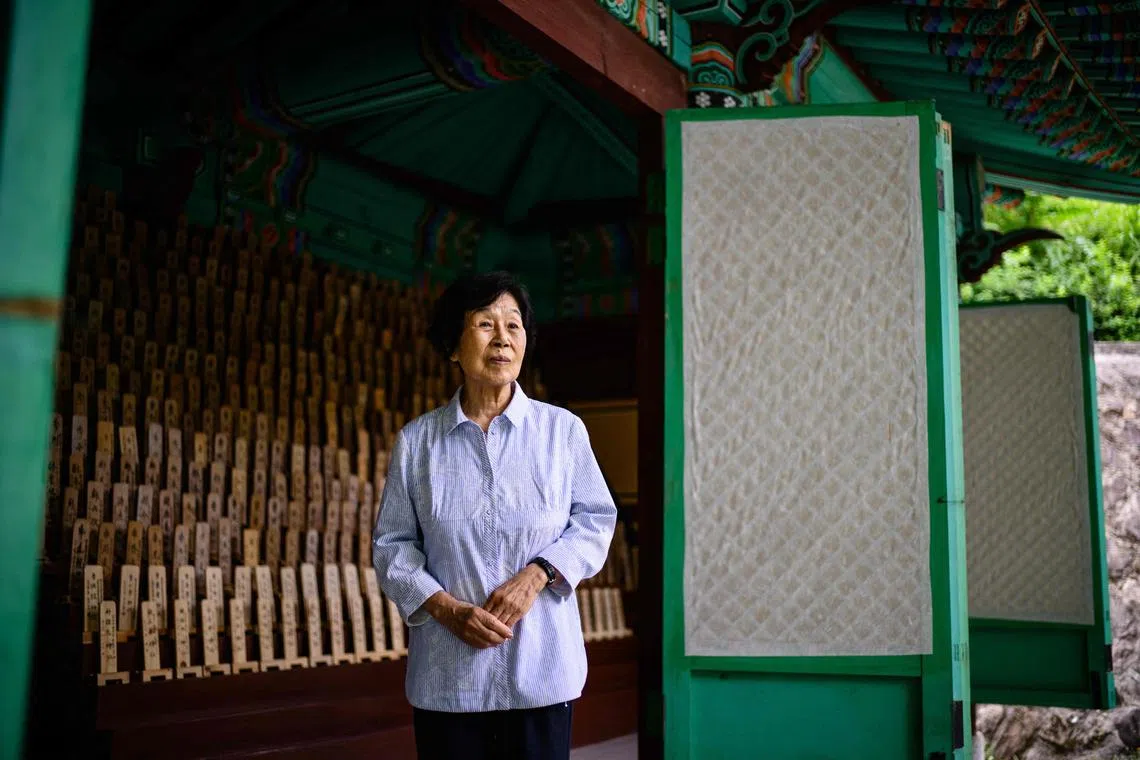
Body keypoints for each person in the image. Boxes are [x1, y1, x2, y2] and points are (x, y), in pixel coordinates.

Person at [373, 271, 617, 760]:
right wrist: (447, 609)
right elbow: (392, 547)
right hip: (450, 679)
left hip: (542, 673)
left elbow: (595, 520)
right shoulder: (418, 443)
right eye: (486, 324)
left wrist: (539, 572)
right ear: (453, 346)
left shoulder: (562, 432)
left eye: (514, 325)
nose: (503, 338)